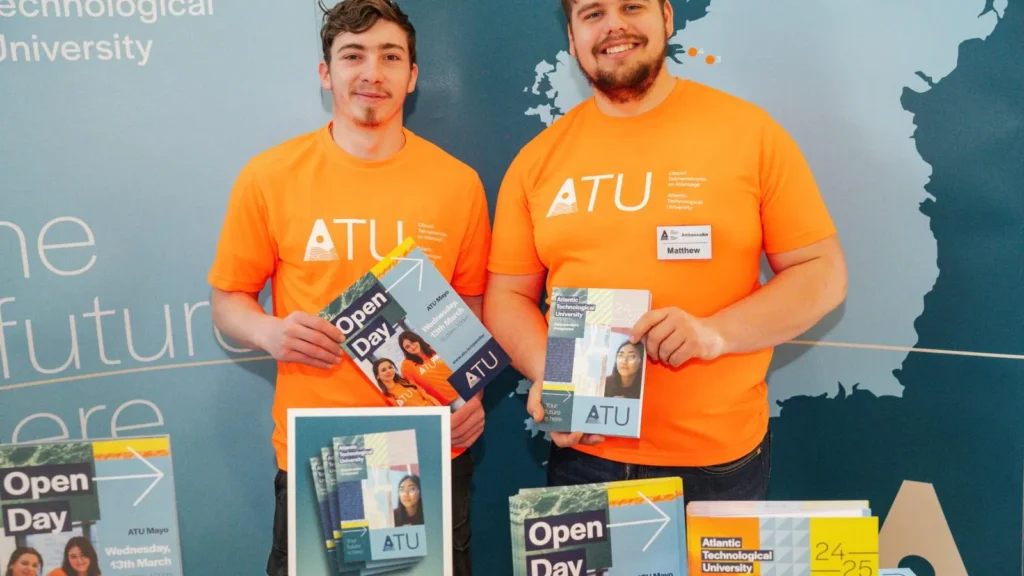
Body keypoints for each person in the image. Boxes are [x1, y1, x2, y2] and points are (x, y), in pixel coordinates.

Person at [483, 0, 847, 500]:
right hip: (584, 456)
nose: (614, 24)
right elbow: (507, 295)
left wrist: (714, 334)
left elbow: (822, 271)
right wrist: (555, 374)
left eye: (632, 6)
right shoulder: (537, 161)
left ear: (667, 17)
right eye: (592, 14)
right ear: (571, 38)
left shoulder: (749, 134)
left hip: (717, 463)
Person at [207, 1, 489, 574]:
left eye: (391, 57)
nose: (372, 73)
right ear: (325, 72)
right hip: (321, 453)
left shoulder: (458, 185)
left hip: (429, 452)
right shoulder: (270, 177)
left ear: (412, 76)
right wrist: (268, 330)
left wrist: (473, 396)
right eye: (353, 55)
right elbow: (227, 300)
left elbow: (471, 311)